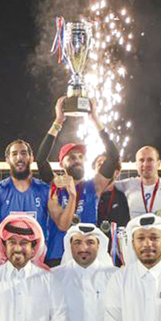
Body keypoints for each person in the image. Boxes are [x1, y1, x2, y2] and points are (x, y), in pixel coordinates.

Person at [35, 97, 120, 265]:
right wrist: (58, 121)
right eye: (71, 157)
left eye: (81, 156)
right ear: (61, 164)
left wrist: (95, 119)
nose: (77, 160)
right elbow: (41, 160)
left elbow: (113, 156)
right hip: (57, 256)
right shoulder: (55, 186)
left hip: (86, 256)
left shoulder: (93, 185)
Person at [0, 140, 51, 240]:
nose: (19, 158)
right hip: (7, 253)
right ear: (7, 159)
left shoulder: (45, 190)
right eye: (14, 154)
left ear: (31, 158)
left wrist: (70, 195)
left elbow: (62, 225)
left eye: (23, 153)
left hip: (37, 253)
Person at [114, 146, 161, 219]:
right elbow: (103, 185)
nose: (145, 164)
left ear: (159, 164)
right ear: (136, 165)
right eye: (141, 160)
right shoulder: (128, 184)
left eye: (150, 160)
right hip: (136, 230)